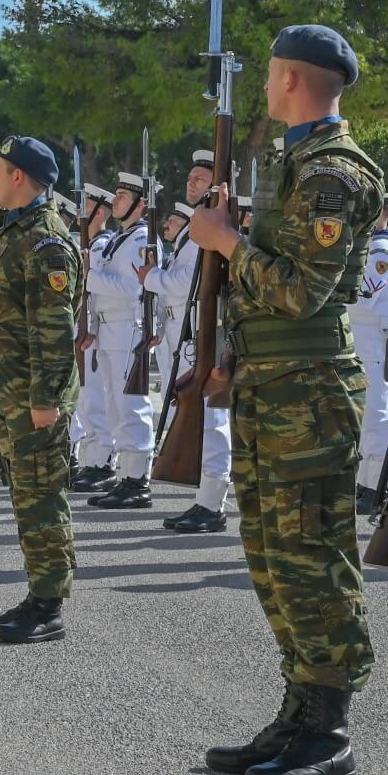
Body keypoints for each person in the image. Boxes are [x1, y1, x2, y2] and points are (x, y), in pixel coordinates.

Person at [189, 24, 381, 775]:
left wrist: (224, 241)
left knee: (311, 555)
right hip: (272, 382)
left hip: (308, 388)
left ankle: (329, 729)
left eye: (270, 75)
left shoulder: (332, 174)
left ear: (291, 79)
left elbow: (302, 291)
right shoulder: (292, 165)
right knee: (272, 555)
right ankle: (299, 709)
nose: (264, 88)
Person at [0, 137, 82, 642]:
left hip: (34, 397)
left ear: (19, 177)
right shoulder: (12, 231)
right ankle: (38, 593)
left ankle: (48, 605)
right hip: (14, 391)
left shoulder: (46, 244)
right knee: (26, 493)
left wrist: (46, 401)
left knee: (42, 495)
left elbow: (55, 331)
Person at [143, 153, 233, 532]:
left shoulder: (212, 228)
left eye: (200, 178)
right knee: (200, 416)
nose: (191, 182)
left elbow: (183, 284)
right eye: (191, 176)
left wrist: (151, 278)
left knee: (211, 419)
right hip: (191, 333)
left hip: (203, 335)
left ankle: (212, 504)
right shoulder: (197, 228)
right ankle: (205, 500)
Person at [84, 172, 162, 509]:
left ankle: (137, 480)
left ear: (141, 204)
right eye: (115, 194)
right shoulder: (122, 238)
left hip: (127, 330)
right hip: (110, 331)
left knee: (131, 406)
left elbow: (131, 289)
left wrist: (89, 276)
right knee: (116, 407)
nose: (115, 201)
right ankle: (126, 476)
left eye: (122, 196)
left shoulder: (143, 239)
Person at [350, 190, 388, 514]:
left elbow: (362, 296)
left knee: (376, 414)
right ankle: (366, 482)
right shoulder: (369, 247)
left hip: (375, 340)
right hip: (365, 339)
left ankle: (378, 486)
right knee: (366, 415)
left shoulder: (382, 251)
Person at [69, 186, 118, 491]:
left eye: (85, 206)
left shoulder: (105, 246)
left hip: (99, 331)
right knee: (86, 400)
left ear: (100, 212)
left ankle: (102, 462)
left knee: (98, 399)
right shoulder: (92, 245)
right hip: (86, 329)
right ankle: (91, 459)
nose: (78, 213)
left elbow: (105, 290)